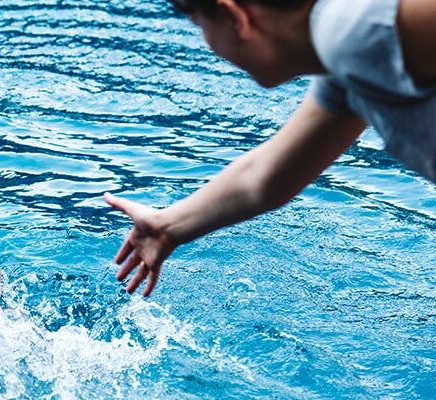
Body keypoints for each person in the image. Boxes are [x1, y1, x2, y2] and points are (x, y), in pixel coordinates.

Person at [105, 0, 436, 296]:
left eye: (198, 23)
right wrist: (168, 227)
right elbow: (265, 177)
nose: (207, 43)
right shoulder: (346, 67)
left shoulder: (351, 28)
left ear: (235, 16)